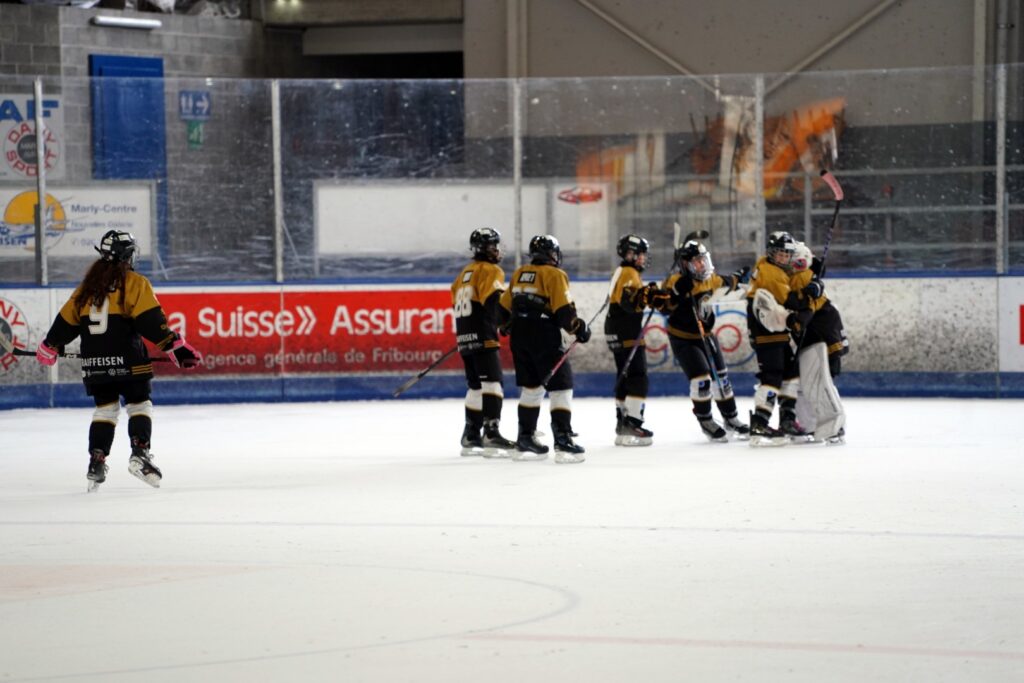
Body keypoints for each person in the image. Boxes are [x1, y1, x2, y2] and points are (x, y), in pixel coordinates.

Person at [35, 230, 202, 492]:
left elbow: (65, 323)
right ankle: (140, 453)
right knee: (139, 404)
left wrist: (51, 345)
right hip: (129, 360)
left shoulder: (86, 288)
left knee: (105, 410)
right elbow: (150, 323)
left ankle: (96, 461)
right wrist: (175, 347)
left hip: (95, 365)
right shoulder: (134, 283)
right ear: (126, 255)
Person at [499, 234, 590, 464]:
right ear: (552, 254)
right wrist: (579, 329)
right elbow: (564, 312)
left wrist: (505, 325)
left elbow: (502, 308)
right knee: (561, 385)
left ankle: (525, 439)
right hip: (544, 335)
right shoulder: (555, 274)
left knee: (532, 387)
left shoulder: (520, 272)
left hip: (519, 337)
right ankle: (563, 440)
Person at [661, 239, 751, 442]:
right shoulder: (675, 281)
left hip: (707, 335)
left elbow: (727, 282)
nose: (702, 264)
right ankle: (706, 420)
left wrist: (739, 276)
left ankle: (731, 418)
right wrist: (676, 292)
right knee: (701, 380)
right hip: (684, 339)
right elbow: (664, 306)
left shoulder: (710, 280)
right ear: (686, 264)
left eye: (704, 260)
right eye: (697, 261)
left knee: (722, 379)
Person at [450, 227, 517, 457]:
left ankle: (471, 435)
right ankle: (491, 433)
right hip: (483, 337)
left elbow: (457, 304)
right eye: (494, 246)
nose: (497, 250)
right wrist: (506, 322)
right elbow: (493, 300)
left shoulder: (464, 273)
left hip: (465, 338)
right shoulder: (490, 270)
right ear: (486, 249)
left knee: (475, 386)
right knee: (493, 384)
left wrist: (468, 331)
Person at [745, 230, 804, 446]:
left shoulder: (770, 266)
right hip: (765, 329)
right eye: (780, 254)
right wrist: (809, 292)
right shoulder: (771, 273)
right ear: (771, 253)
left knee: (790, 373)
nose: (784, 258)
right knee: (773, 376)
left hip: (774, 327)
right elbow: (790, 301)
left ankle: (787, 419)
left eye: (787, 254)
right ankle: (760, 423)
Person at [786, 242, 848, 443]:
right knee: (803, 381)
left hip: (823, 336)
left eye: (799, 263)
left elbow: (808, 297)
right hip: (812, 336)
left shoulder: (805, 280)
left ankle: (833, 426)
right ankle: (812, 425)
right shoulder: (796, 277)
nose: (793, 267)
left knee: (821, 380)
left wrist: (815, 285)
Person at [604, 234, 662, 446]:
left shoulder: (621, 271)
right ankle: (633, 423)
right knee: (638, 377)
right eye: (641, 254)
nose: (643, 258)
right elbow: (629, 303)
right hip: (626, 330)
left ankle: (622, 425)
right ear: (630, 254)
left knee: (624, 376)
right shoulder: (629, 272)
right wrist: (648, 295)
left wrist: (646, 294)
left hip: (615, 328)